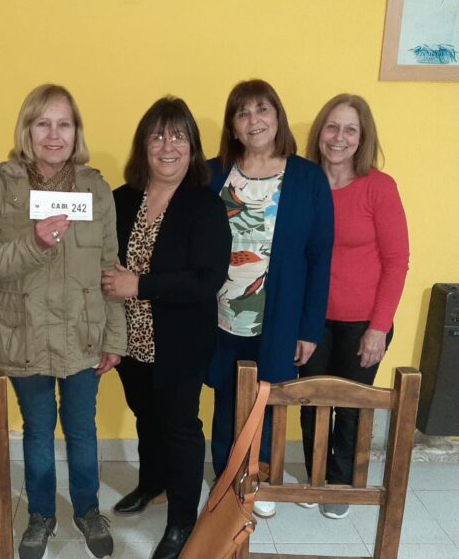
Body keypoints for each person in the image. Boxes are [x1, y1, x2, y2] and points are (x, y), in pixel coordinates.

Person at [0, 84, 126, 559]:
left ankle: (87, 510)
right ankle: (40, 515)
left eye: (64, 124)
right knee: (37, 431)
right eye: (43, 124)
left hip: (83, 334)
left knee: (82, 430)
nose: (54, 135)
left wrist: (115, 338)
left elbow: (111, 269)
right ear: (27, 130)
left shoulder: (96, 190)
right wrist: (32, 244)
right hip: (25, 335)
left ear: (76, 132)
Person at [102, 97, 231, 559]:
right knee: (146, 416)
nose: (167, 146)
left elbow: (207, 279)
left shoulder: (204, 205)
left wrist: (140, 284)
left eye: (178, 136)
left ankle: (181, 520)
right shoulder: (120, 199)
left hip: (180, 342)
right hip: (129, 340)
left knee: (180, 428)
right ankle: (151, 483)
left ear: (192, 147)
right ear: (144, 146)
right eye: (157, 136)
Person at [206, 79, 334, 518]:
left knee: (266, 396)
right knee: (226, 395)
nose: (253, 120)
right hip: (219, 312)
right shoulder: (212, 173)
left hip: (278, 313)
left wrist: (309, 329)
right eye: (242, 113)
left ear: (277, 116)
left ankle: (256, 476)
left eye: (262, 109)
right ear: (233, 126)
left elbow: (319, 257)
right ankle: (225, 477)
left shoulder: (307, 178)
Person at [300, 94, 409, 519]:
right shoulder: (305, 183)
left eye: (350, 129)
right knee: (312, 401)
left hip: (364, 322)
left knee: (350, 407)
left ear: (363, 138)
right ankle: (314, 477)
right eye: (332, 127)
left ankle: (341, 484)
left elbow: (396, 261)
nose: (339, 137)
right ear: (319, 132)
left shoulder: (379, 187)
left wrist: (378, 328)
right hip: (312, 319)